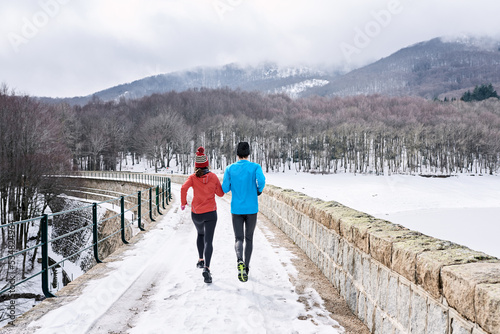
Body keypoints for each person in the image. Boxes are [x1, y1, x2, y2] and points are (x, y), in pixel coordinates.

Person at [221, 142, 265, 282]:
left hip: (236, 209)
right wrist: (258, 190)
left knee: (238, 238)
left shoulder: (230, 168)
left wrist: (232, 186)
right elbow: (262, 181)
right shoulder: (255, 167)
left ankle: (239, 260)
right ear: (249, 153)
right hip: (252, 209)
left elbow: (225, 188)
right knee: (249, 238)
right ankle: (246, 267)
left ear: (237, 153)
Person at [181, 146, 224, 284]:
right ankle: (207, 268)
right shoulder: (213, 177)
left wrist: (183, 203)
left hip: (197, 213)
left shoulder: (193, 177)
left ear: (196, 165)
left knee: (200, 234)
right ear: (207, 164)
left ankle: (200, 260)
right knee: (208, 240)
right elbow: (221, 194)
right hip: (211, 213)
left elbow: (183, 188)